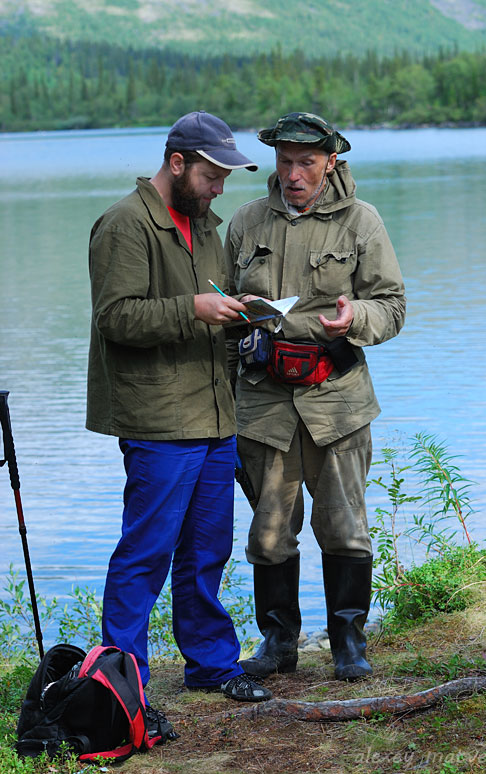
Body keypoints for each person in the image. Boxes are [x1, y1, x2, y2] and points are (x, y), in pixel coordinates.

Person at [86, 111, 272, 736]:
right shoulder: (123, 225)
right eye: (213, 174)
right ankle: (124, 685)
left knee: (207, 551)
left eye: (225, 176)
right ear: (177, 164)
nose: (221, 186)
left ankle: (212, 666)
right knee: (145, 554)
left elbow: (208, 304)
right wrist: (193, 309)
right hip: (159, 420)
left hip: (216, 416)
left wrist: (243, 314)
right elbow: (117, 318)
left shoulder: (205, 228)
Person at [224, 112, 406, 682]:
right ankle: (278, 643)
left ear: (332, 162)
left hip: (338, 401)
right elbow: (222, 309)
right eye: (285, 160)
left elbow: (393, 306)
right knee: (270, 529)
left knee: (345, 525)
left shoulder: (362, 222)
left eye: (306, 162)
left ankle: (348, 641)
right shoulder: (246, 223)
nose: (294, 173)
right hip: (264, 400)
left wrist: (356, 318)